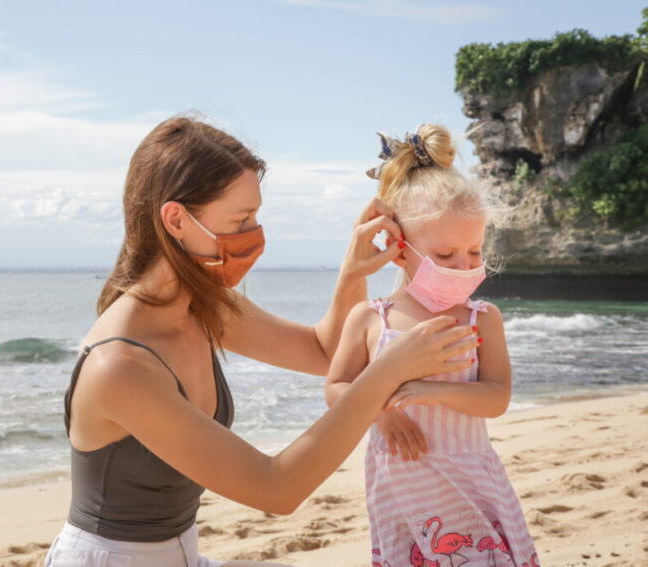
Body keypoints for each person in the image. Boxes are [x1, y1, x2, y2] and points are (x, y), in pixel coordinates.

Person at [45, 116, 478, 567]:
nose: (255, 235)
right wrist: (388, 370)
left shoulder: (201, 306)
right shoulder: (119, 365)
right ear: (176, 219)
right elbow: (276, 488)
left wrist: (353, 272)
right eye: (241, 219)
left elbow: (324, 353)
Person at [325, 125, 539, 566]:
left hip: (471, 483)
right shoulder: (370, 319)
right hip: (400, 489)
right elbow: (336, 386)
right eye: (445, 257)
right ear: (400, 250)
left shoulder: (483, 319)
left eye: (474, 253)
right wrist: (381, 414)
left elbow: (496, 397)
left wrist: (431, 392)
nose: (463, 267)